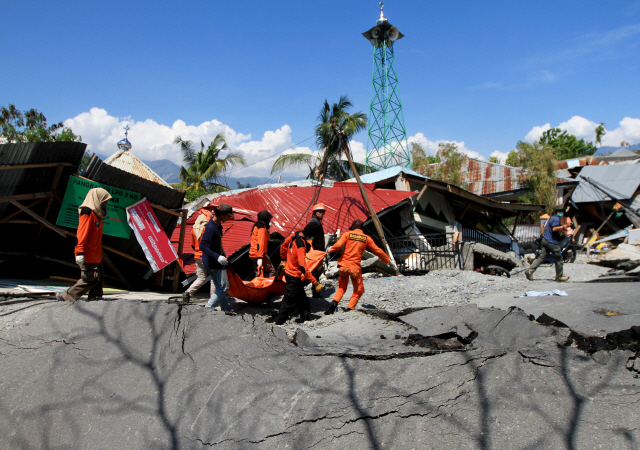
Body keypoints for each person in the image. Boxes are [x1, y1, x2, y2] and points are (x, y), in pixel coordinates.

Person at [57, 188, 113, 302]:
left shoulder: (98, 215)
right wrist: (79, 252)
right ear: (97, 199)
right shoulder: (87, 212)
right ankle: (66, 296)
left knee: (100, 277)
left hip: (95, 254)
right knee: (90, 278)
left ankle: (95, 297)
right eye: (104, 201)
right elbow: (81, 233)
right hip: (87, 253)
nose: (105, 204)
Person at [324, 220, 391, 314]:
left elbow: (337, 245)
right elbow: (377, 250)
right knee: (359, 289)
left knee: (342, 287)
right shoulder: (367, 238)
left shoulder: (347, 234)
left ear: (353, 227)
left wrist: (328, 250)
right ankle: (350, 309)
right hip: (355, 270)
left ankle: (332, 306)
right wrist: (387, 260)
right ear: (361, 228)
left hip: (343, 267)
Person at [275, 225, 323, 325]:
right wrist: (315, 282)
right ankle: (279, 322)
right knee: (288, 301)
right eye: (313, 237)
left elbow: (283, 245)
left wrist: (283, 259)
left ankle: (306, 317)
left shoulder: (295, 235)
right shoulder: (301, 245)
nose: (313, 239)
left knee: (302, 298)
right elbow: (303, 267)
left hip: (289, 272)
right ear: (309, 235)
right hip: (293, 275)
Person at [200, 203, 236, 313]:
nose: (229, 218)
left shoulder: (218, 225)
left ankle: (226, 309)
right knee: (224, 287)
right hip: (213, 262)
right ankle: (208, 309)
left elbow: (217, 244)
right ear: (221, 214)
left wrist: (222, 254)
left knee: (219, 288)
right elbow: (202, 245)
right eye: (227, 216)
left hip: (212, 261)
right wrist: (217, 257)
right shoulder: (211, 228)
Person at [526, 205, 570, 282]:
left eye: (562, 211)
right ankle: (559, 276)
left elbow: (543, 226)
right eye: (560, 211)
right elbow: (554, 229)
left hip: (545, 240)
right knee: (559, 258)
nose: (561, 213)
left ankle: (530, 270)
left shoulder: (550, 218)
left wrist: (545, 234)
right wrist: (564, 226)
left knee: (542, 257)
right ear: (555, 212)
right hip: (552, 242)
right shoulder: (556, 218)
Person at [182, 209, 215, 302]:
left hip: (197, 256)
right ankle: (213, 299)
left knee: (201, 278)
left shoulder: (193, 228)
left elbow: (193, 244)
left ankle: (188, 293)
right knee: (213, 277)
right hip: (208, 256)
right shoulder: (208, 228)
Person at [305, 203, 326, 297]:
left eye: (322, 212)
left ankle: (315, 291)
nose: (321, 214)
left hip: (318, 252)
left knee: (317, 271)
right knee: (316, 271)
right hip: (315, 252)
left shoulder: (316, 221)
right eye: (319, 212)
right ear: (315, 212)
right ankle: (315, 292)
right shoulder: (314, 222)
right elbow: (305, 233)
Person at [249, 210, 275, 278]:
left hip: (253, 254)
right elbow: (260, 242)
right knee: (270, 271)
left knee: (259, 271)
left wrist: (268, 229)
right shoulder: (261, 228)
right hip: (258, 253)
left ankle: (257, 285)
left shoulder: (257, 225)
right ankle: (266, 286)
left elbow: (265, 239)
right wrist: (260, 257)